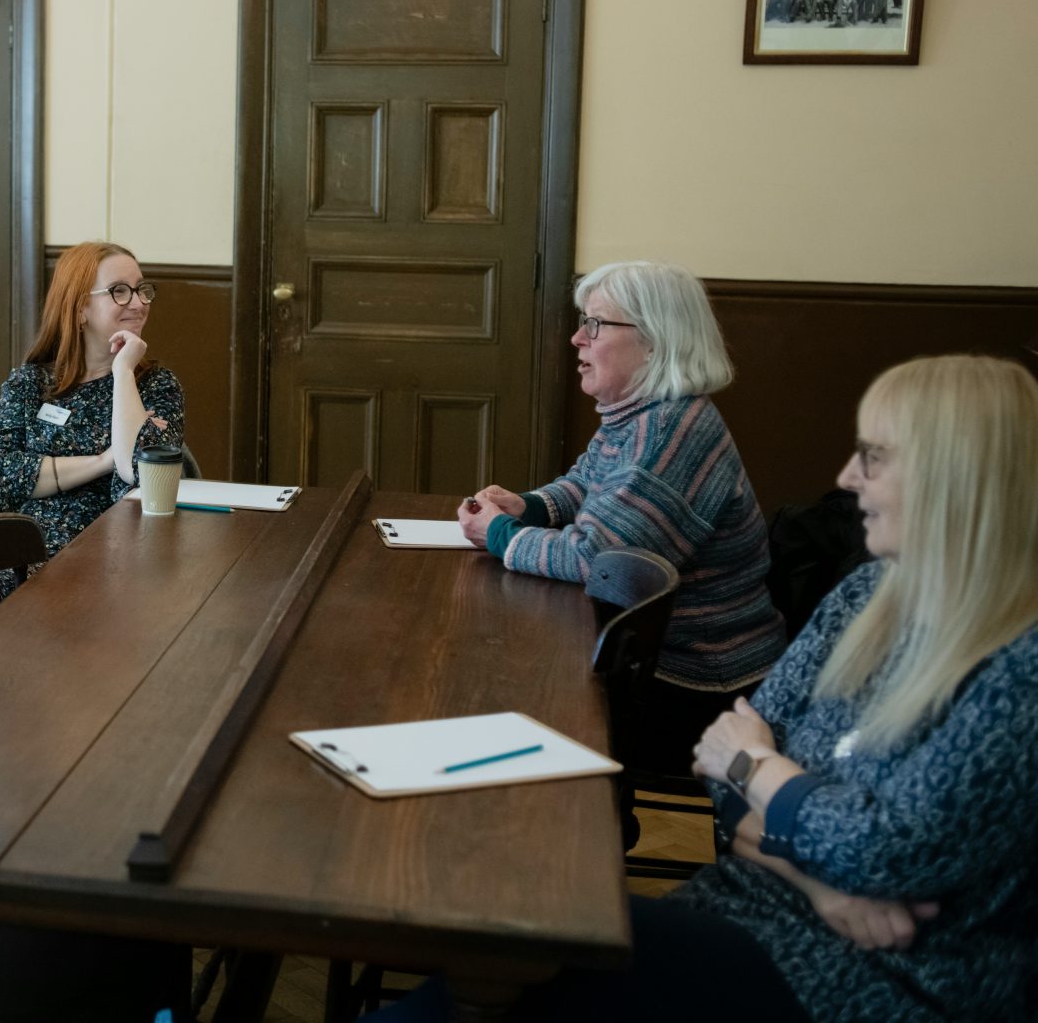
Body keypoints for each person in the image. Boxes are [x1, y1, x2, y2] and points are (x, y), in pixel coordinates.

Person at [374, 354, 1038, 1022]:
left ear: (956, 479)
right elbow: (719, 783)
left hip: (869, 983)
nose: (845, 478)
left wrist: (758, 766)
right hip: (756, 915)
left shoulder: (1021, 670)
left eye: (873, 457)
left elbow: (879, 848)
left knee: (520, 948)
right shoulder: (872, 594)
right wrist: (822, 880)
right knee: (516, 947)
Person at [457, 260, 785, 768]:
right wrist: (528, 506)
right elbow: (586, 483)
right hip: (653, 659)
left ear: (656, 340)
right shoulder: (642, 413)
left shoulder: (670, 432)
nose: (576, 339)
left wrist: (501, 533)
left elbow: (598, 560)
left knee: (507, 693)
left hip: (700, 684)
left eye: (594, 324)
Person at [0, 241, 184, 652]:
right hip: (17, 559)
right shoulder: (31, 383)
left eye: (142, 289)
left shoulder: (156, 386)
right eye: (119, 291)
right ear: (80, 308)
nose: (138, 302)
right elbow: (6, 478)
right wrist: (101, 460)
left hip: (107, 567)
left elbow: (139, 475)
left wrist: (123, 372)